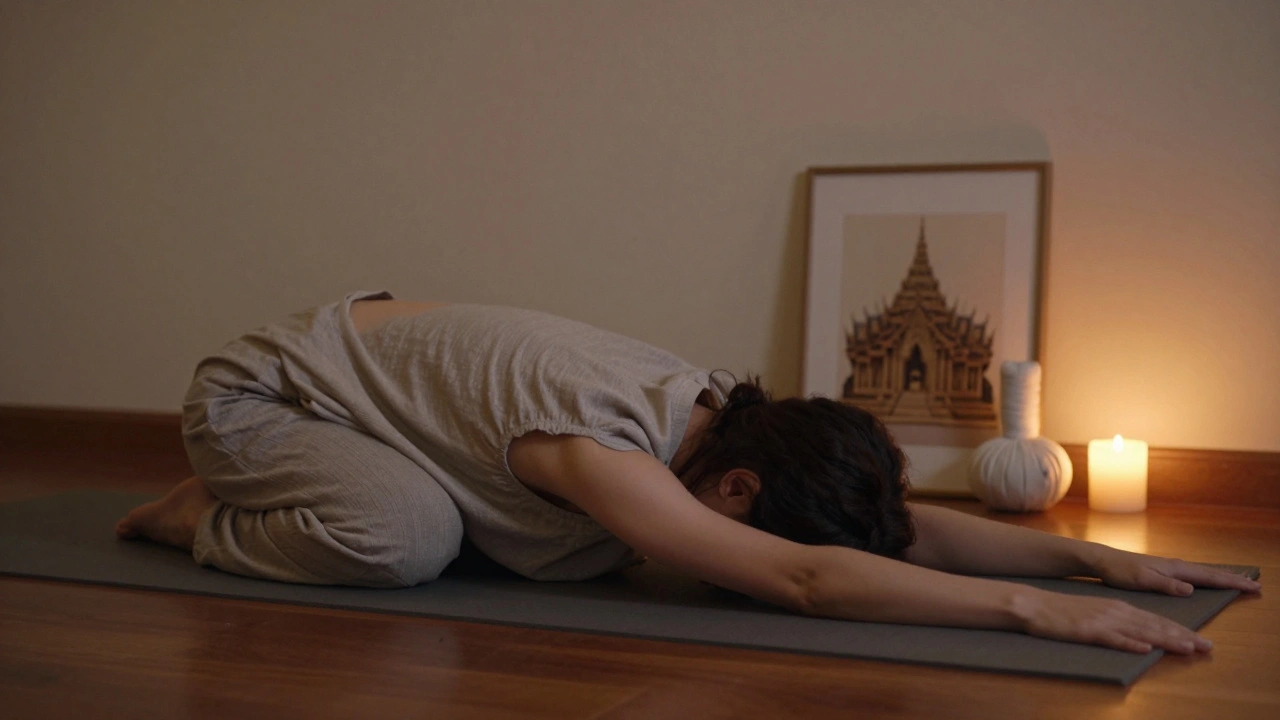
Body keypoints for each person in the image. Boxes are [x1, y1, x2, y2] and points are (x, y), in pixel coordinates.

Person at [117, 290, 1260, 656]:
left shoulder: (723, 432)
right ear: (738, 493)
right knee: (407, 542)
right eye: (752, 531)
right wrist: (1026, 611)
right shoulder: (607, 448)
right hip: (267, 400)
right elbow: (806, 578)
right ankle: (199, 516)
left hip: (384, 405)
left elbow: (889, 533)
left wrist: (1091, 561)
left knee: (570, 551)